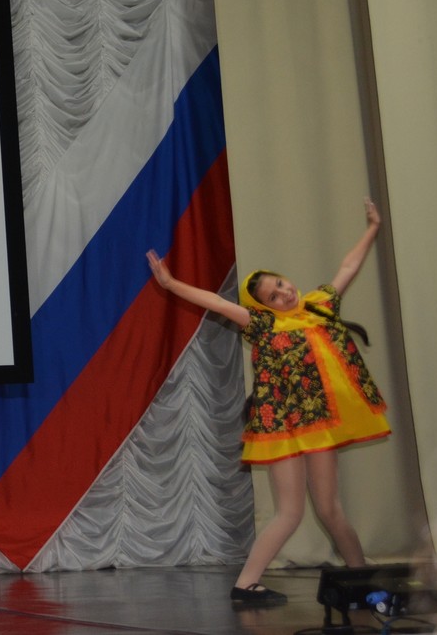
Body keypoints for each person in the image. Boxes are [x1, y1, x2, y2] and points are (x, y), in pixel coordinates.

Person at [145, 197, 389, 606]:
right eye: (273, 295)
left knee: (330, 508)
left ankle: (360, 575)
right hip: (280, 427)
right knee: (290, 512)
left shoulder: (319, 307)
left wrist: (372, 229)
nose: (284, 292)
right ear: (262, 306)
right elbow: (218, 303)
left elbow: (347, 268)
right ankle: (245, 586)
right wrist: (170, 285)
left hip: (319, 426)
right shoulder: (261, 323)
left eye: (281, 283)